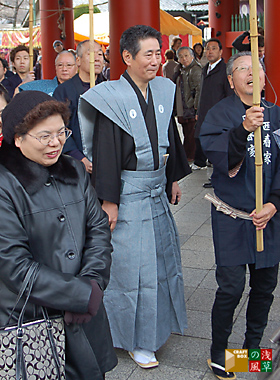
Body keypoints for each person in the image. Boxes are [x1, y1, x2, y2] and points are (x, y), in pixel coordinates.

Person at [78, 25, 190, 369]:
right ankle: (133, 339)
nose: (156, 60)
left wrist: (173, 178)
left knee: (161, 263)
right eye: (148, 54)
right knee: (131, 270)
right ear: (127, 57)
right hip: (127, 193)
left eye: (159, 53)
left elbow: (170, 135)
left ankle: (157, 329)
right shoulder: (112, 95)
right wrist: (108, 201)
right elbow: (106, 150)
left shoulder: (163, 89)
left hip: (156, 187)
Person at [0, 90, 117, 380]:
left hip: (85, 312)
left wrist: (92, 284)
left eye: (61, 132)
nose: (56, 143)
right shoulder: (4, 184)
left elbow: (98, 230)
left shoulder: (74, 171)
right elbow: (13, 264)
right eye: (44, 136)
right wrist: (77, 295)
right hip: (30, 317)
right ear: (18, 138)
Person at [200, 52, 280, 380]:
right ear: (231, 80)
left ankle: (250, 353)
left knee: (264, 287)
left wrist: (274, 203)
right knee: (232, 287)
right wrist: (243, 129)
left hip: (269, 217)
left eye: (255, 67)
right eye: (242, 69)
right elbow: (218, 158)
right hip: (232, 217)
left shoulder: (276, 113)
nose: (251, 73)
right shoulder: (220, 114)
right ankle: (220, 352)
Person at [53, 40, 105, 174]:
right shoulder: (63, 91)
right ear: (78, 60)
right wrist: (80, 158)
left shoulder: (108, 87)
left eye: (100, 54)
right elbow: (60, 128)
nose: (97, 58)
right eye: (91, 54)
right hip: (76, 162)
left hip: (105, 160)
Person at [193, 38, 233, 174]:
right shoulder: (205, 69)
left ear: (221, 52)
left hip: (218, 116)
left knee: (218, 145)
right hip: (205, 113)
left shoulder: (225, 70)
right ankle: (214, 173)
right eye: (208, 48)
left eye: (214, 48)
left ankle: (220, 176)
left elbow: (229, 95)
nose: (209, 51)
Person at [173, 46, 202, 162]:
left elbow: (199, 90)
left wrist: (196, 107)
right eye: (181, 56)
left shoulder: (195, 69)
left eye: (186, 56)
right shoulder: (181, 69)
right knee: (187, 133)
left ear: (192, 56)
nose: (184, 59)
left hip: (190, 108)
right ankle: (188, 155)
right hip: (183, 107)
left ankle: (191, 156)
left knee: (191, 134)